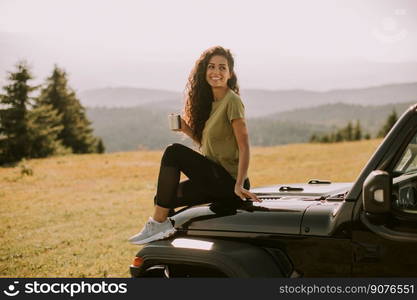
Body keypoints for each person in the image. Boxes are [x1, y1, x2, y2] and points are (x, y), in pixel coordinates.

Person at [129, 46, 261, 245]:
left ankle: (157, 223)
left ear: (230, 73)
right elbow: (210, 148)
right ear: (204, 71)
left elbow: (244, 146)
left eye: (222, 68)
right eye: (211, 66)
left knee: (173, 152)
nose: (216, 72)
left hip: (229, 184)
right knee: (163, 197)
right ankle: (167, 239)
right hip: (214, 179)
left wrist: (239, 183)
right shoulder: (212, 103)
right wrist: (187, 130)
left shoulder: (232, 101)